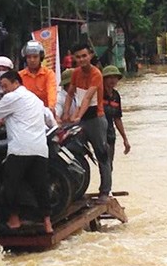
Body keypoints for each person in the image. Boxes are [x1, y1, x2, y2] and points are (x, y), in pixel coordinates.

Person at [0, 70, 53, 234]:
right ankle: (48, 223)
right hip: (40, 149)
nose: (4, 90)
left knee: (10, 185)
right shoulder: (34, 98)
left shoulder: (12, 97)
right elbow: (48, 117)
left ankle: (14, 220)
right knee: (41, 187)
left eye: (5, 86)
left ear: (16, 83)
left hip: (20, 149)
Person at [62, 43, 111, 204]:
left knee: (102, 155)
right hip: (81, 120)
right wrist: (66, 113)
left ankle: (105, 191)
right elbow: (70, 94)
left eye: (84, 56)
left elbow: (88, 98)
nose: (82, 59)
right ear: (74, 58)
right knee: (72, 151)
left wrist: (77, 116)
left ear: (90, 55)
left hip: (95, 119)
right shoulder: (75, 73)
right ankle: (77, 187)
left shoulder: (96, 74)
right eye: (78, 57)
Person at [19, 40, 58, 119]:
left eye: (35, 57)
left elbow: (51, 91)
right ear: (25, 59)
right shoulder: (20, 75)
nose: (32, 60)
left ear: (41, 57)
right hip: (25, 114)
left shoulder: (48, 74)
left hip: (44, 113)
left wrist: (51, 107)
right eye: (29, 57)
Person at [102, 65, 131, 172]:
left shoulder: (116, 96)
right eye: (109, 77)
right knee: (103, 162)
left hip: (110, 133)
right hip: (98, 132)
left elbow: (117, 119)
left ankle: (106, 187)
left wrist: (125, 139)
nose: (113, 80)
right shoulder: (98, 93)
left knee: (109, 164)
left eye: (115, 77)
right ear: (103, 79)